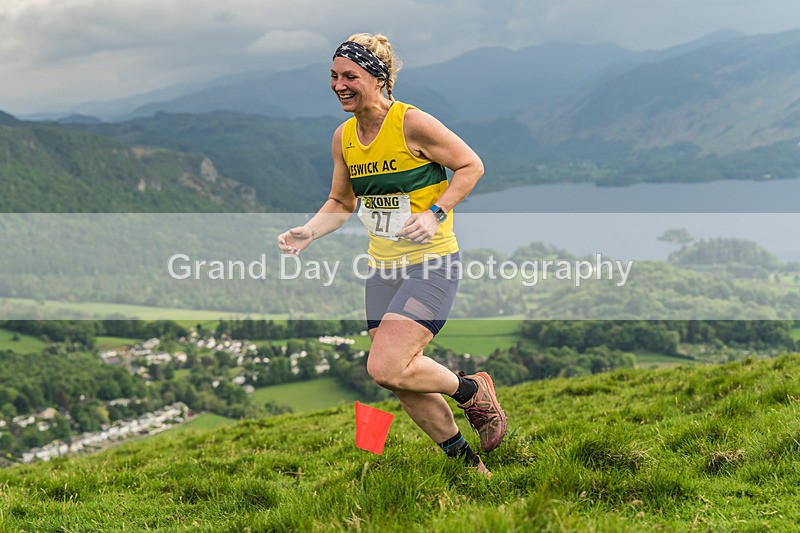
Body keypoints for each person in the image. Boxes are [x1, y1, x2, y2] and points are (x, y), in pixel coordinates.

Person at [277, 33, 506, 476]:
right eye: (333, 76)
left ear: (379, 79)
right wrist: (310, 231)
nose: (338, 85)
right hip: (382, 270)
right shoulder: (344, 137)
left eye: (350, 76)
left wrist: (436, 213)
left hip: (430, 263)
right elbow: (341, 202)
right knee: (399, 378)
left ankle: (471, 391)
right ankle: (470, 469)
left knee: (386, 366)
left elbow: (471, 165)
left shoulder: (412, 123)